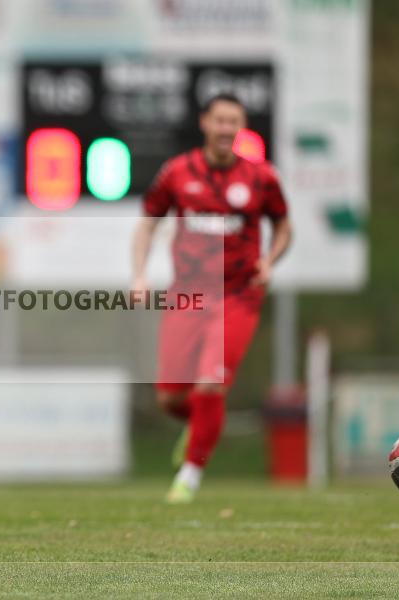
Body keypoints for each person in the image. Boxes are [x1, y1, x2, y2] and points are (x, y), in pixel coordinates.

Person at [132, 93, 293, 504]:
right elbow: (148, 224)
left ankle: (190, 474)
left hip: (238, 294)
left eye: (233, 121)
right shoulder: (178, 172)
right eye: (219, 120)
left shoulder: (261, 177)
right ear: (205, 123)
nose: (225, 128)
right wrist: (139, 273)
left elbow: (284, 226)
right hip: (186, 294)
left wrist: (270, 261)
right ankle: (200, 426)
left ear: (241, 127)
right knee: (169, 397)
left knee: (210, 383)